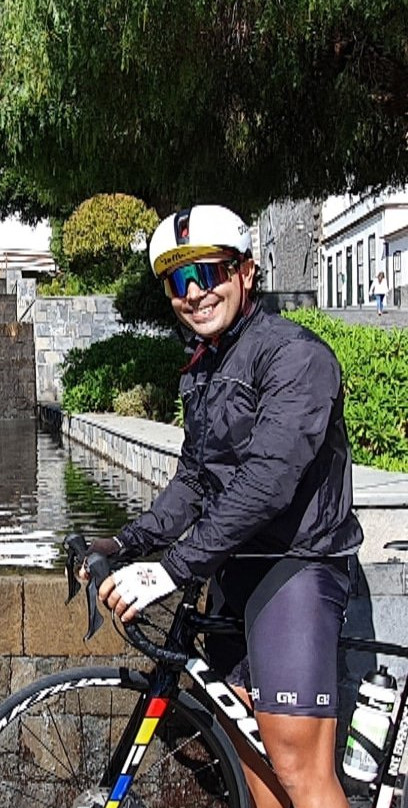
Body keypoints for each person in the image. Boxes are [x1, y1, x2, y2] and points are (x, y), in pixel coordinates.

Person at [90, 205, 361, 808]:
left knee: (299, 769)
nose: (195, 294)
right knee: (258, 764)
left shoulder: (295, 355)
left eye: (208, 272)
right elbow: (194, 479)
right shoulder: (206, 368)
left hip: (297, 564)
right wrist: (126, 543)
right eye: (179, 282)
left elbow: (269, 480)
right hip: (235, 571)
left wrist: (173, 567)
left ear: (246, 272)